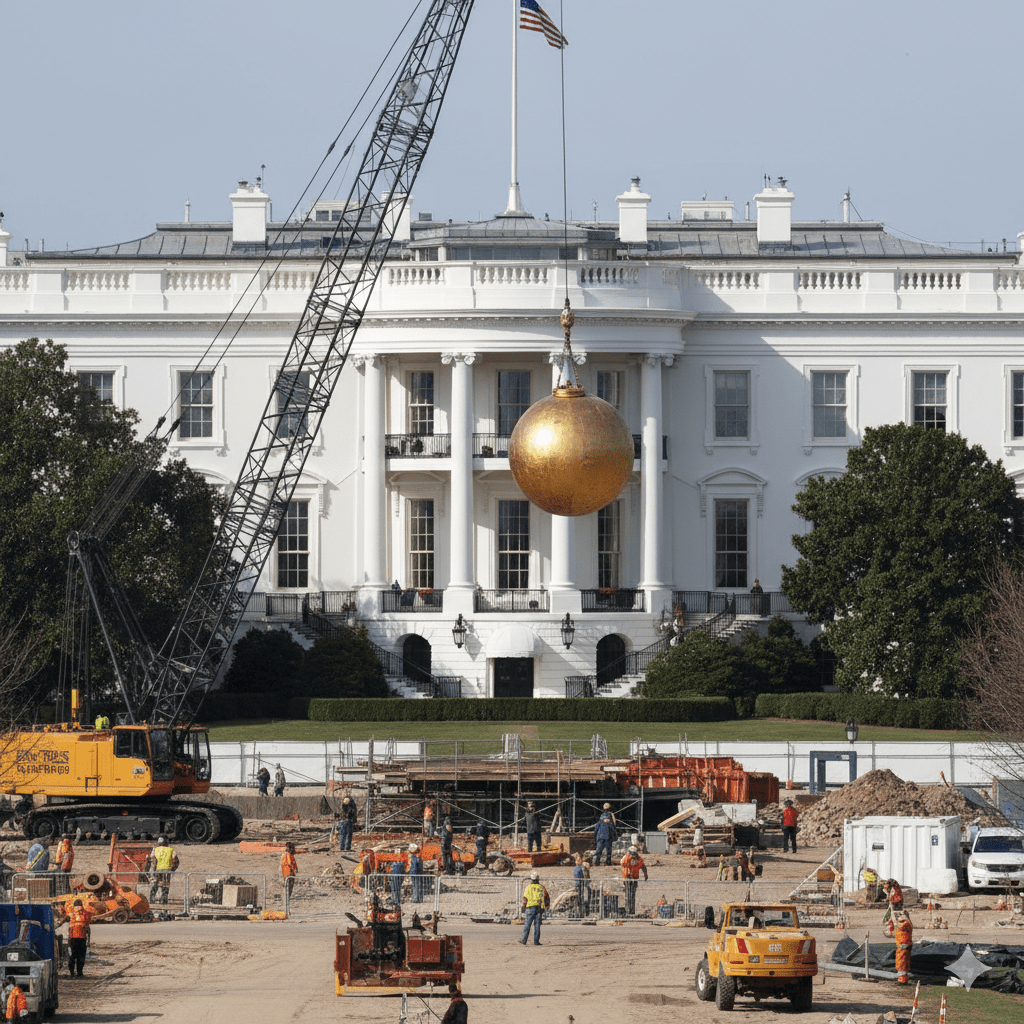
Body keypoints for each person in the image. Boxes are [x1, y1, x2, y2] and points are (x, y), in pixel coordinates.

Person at [518, 869, 549, 945]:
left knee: (527, 924)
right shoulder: (542, 887)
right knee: (537, 925)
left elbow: (525, 898)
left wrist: (523, 907)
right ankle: (536, 941)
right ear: (538, 879)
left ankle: (524, 940)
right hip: (539, 908)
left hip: (530, 908)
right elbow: (546, 897)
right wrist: (546, 907)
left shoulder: (528, 887)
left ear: (531, 879)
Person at [146, 836, 178, 904]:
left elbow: (151, 860)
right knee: (165, 887)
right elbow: (177, 861)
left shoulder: (155, 850)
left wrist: (150, 870)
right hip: (167, 871)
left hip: (158, 871)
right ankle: (164, 901)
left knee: (156, 885)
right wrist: (173, 869)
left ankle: (151, 900)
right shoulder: (171, 850)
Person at [67, 898, 91, 978]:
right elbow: (88, 922)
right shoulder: (85, 913)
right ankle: (79, 973)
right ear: (81, 905)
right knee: (81, 956)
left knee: (72, 956)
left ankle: (71, 973)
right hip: (82, 938)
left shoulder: (71, 914)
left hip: (72, 938)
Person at [620, 846, 648, 916]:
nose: (634, 856)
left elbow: (643, 866)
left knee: (632, 895)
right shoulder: (626, 859)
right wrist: (628, 877)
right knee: (628, 895)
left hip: (634, 878)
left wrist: (645, 875)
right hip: (627, 879)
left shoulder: (638, 859)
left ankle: (632, 910)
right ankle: (627, 911)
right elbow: (626, 868)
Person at [894, 910, 913, 984]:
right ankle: (901, 979)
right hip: (902, 947)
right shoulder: (905, 924)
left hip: (904, 947)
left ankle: (903, 980)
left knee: (902, 964)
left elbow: (900, 927)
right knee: (900, 963)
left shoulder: (906, 924)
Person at [573, 852, 591, 917]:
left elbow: (578, 878)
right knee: (585, 900)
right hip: (584, 884)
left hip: (581, 885)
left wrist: (576, 887)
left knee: (581, 900)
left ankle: (582, 913)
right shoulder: (584, 867)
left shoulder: (577, 868)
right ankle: (585, 913)